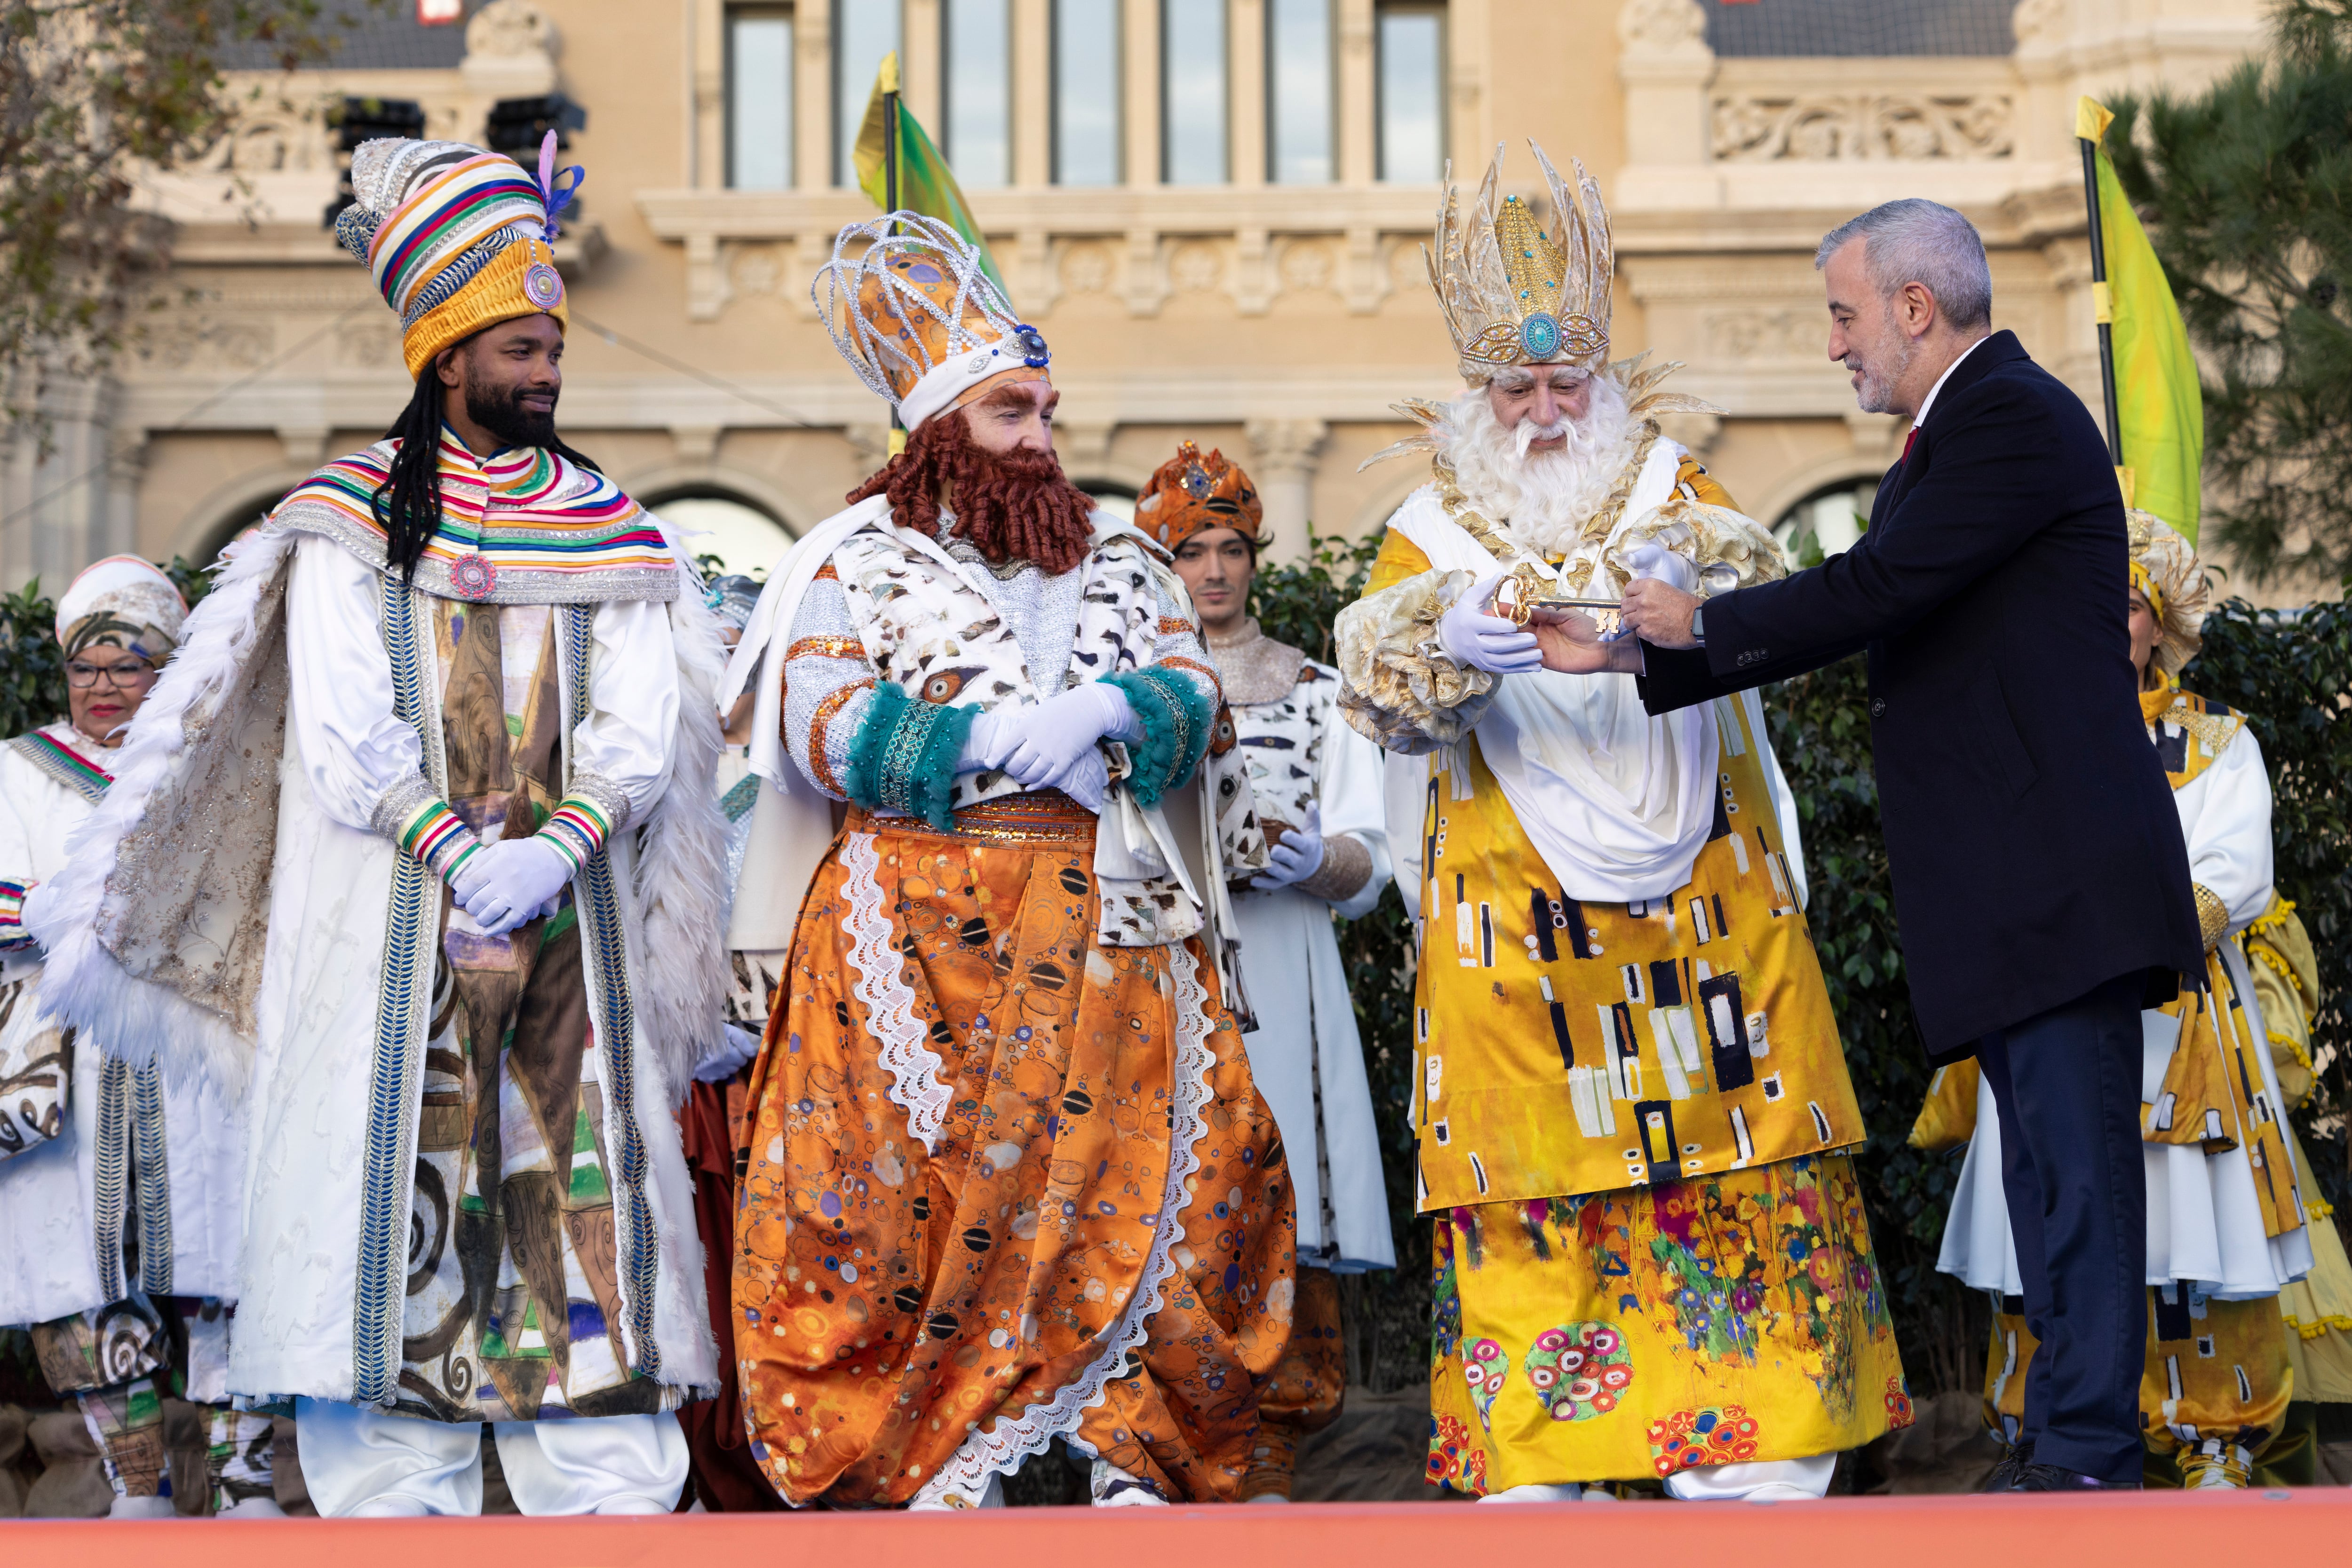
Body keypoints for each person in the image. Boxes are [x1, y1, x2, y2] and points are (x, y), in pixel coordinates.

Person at [28, 135, 734, 1517]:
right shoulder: (347, 526)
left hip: (567, 944)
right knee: (377, 1251)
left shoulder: (613, 529)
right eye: (521, 347)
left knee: (572, 1225)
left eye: (552, 349)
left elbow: (646, 725)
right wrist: (462, 848)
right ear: (447, 348)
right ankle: (392, 1509)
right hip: (389, 943)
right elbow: (351, 733)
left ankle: (599, 1502)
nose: (545, 373)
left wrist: (559, 842)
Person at [1332, 143, 1910, 1505]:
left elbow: (1773, 594)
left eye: (1563, 383)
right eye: (1516, 387)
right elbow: (1369, 679)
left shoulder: (1672, 484)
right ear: (1479, 392)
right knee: (1538, 1175)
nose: (1541, 410)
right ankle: (1552, 1460)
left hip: (1705, 902)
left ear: (1601, 380)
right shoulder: (1426, 525)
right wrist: (1439, 633)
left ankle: (1762, 1445)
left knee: (1740, 1155)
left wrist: (1688, 589)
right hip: (1514, 924)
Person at [1617, 198, 2203, 1492]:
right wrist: (1634, 647)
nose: (1836, 344)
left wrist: (1694, 624)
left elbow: (1875, 590)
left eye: (1843, 312)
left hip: (2057, 877)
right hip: (2020, 885)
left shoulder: (2008, 418)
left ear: (1915, 305)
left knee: (2080, 1174)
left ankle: (2096, 1449)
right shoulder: (1956, 438)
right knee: (2050, 1177)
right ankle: (2072, 1440)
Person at [720, 213, 1295, 1510]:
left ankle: (1122, 1452)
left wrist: (1114, 712)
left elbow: (1196, 691)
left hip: (1120, 932)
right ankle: (933, 1468)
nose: (1040, 434)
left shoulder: (1125, 555)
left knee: (1174, 1187)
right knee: (888, 1211)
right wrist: (980, 735)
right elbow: (817, 721)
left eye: (1047, 406)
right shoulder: (849, 559)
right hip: (910, 939)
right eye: (1008, 411)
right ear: (937, 430)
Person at [1915, 512, 2317, 1488]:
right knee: (2046, 1222)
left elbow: (2236, 870)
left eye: (2128, 601)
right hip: (2046, 1006)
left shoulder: (2217, 739)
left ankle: (2211, 1432)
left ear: (2160, 622)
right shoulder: (2013, 724)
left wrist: (2114, 924)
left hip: (2177, 1023)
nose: (2107, 620)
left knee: (2192, 1233)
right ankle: (2040, 1425)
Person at [1145, 442, 1396, 1501]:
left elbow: (1371, 854)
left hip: (1286, 961)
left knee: (1283, 1185)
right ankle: (1166, 1449)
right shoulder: (1135, 695)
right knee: (1169, 1201)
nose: (1213, 569)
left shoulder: (1318, 686)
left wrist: (1311, 859)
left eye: (1231, 547)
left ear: (1256, 557)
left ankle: (1277, 1444)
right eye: (1191, 549)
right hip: (1169, 967)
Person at [0, 559, 275, 1518]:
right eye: (89, 664)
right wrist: (88, 912)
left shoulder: (216, 759)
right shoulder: (20, 770)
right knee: (87, 1270)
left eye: (132, 661)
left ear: (170, 667)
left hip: (198, 1051)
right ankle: (137, 1484)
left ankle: (245, 1481)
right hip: (72, 1059)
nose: (107, 682)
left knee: (229, 1262)